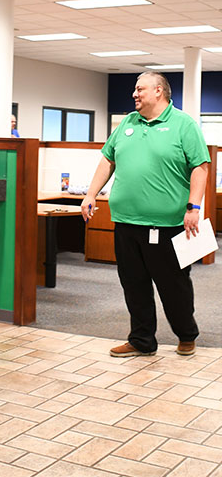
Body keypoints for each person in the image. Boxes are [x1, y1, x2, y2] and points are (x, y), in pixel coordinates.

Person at [81, 71, 210, 358]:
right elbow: (107, 159)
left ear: (159, 92)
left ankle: (186, 335)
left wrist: (194, 206)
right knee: (134, 285)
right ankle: (141, 340)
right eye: (134, 89)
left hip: (168, 224)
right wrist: (91, 194)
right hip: (126, 222)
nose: (134, 94)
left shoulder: (183, 124)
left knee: (173, 286)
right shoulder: (127, 122)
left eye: (140, 89)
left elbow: (200, 167)